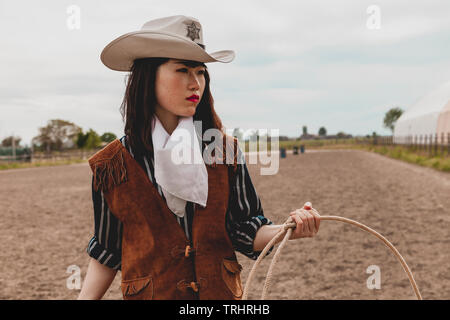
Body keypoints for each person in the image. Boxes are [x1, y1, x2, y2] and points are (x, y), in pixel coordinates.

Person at [78, 15, 320, 300]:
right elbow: (107, 252)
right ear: (148, 76)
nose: (196, 83)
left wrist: (290, 228)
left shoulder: (224, 152)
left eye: (201, 72)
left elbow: (244, 231)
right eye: (182, 70)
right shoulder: (112, 166)